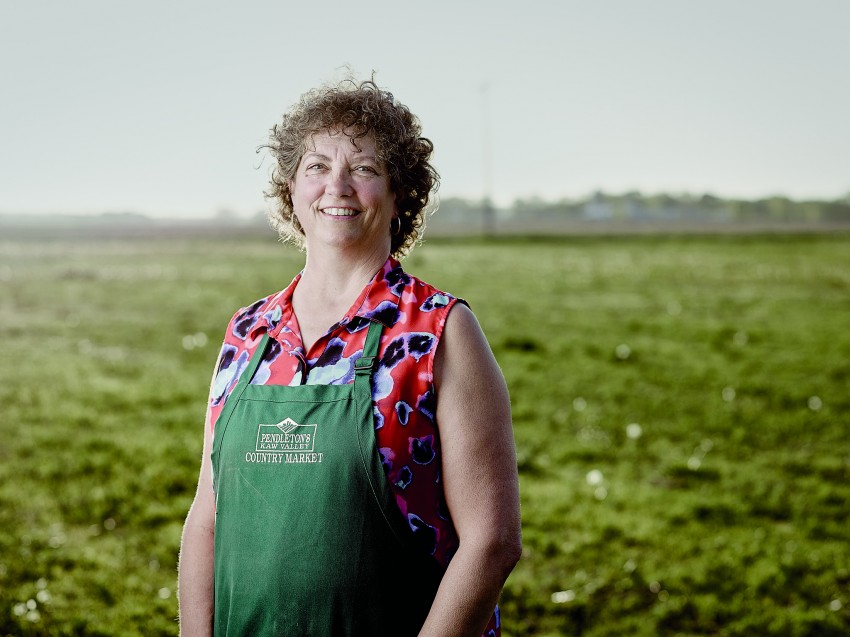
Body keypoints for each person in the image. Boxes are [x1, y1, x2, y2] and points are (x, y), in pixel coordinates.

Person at [178, 78, 522, 637]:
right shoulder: (248, 332)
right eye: (316, 166)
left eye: (363, 168)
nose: (336, 185)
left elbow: (492, 542)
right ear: (291, 188)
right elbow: (207, 519)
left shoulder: (439, 330)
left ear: (398, 196)